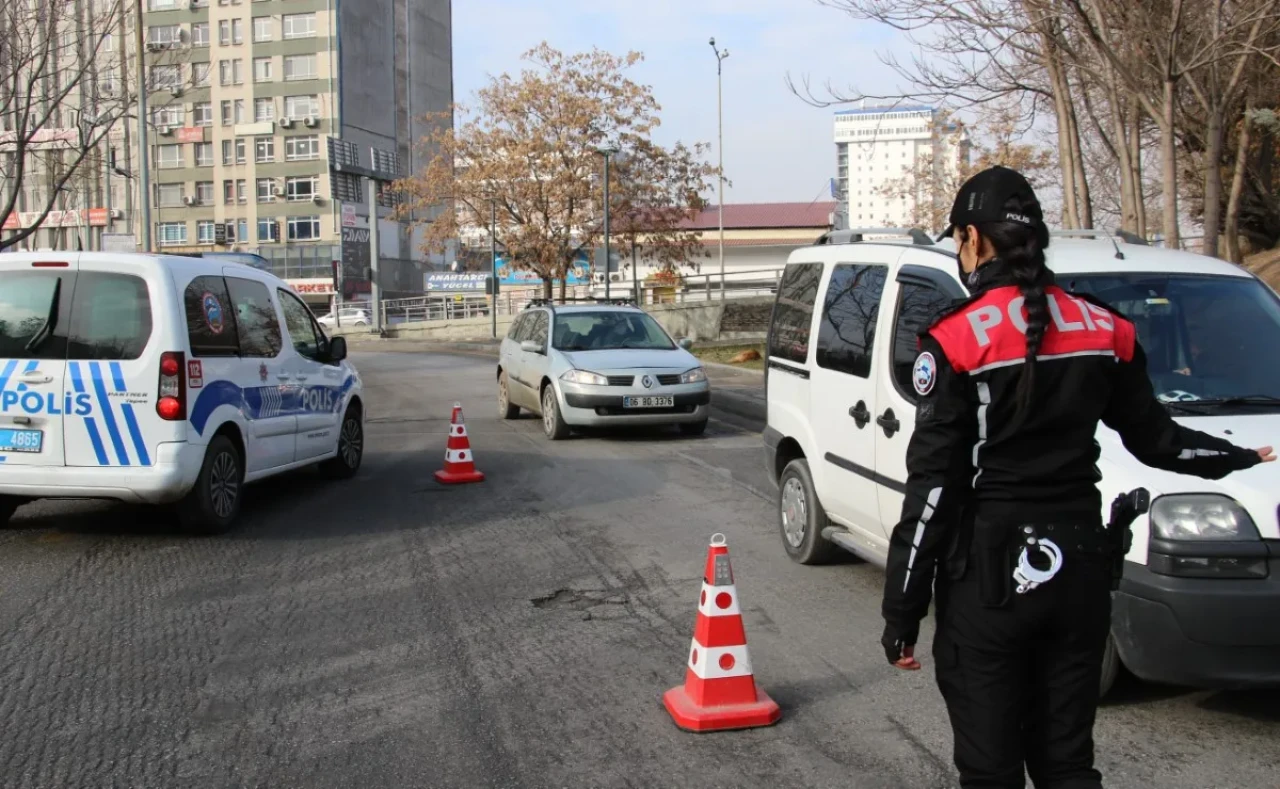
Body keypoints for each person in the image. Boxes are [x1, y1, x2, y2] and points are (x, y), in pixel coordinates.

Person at [878, 165, 1275, 789]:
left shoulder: (954, 341)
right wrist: (1241, 457)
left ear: (974, 240)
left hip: (989, 583)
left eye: (958, 239)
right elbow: (1159, 442)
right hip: (1082, 574)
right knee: (1067, 765)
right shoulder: (1107, 329)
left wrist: (901, 612)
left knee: (991, 769)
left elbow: (932, 492)